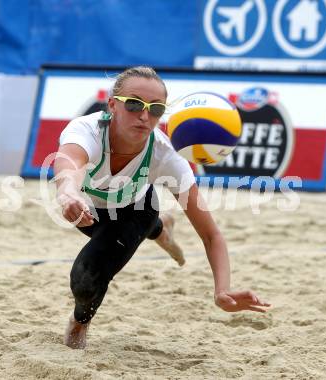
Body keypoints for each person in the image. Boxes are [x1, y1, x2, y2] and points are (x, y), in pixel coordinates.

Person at [53, 66, 270, 349]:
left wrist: (222, 290)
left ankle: (79, 324)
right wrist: (68, 193)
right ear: (112, 106)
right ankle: (162, 229)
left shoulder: (166, 155)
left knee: (85, 278)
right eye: (134, 104)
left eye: (156, 109)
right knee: (104, 236)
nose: (144, 116)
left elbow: (211, 234)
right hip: (87, 208)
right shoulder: (87, 130)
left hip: (136, 210)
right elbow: (70, 165)